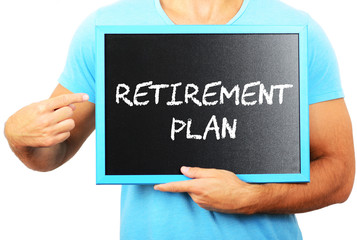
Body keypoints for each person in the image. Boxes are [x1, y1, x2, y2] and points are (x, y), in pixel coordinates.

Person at [4, 0, 355, 239]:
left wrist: (252, 198)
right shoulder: (107, 28)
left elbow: (339, 174)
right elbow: (53, 153)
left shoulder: (294, 28)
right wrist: (18, 136)